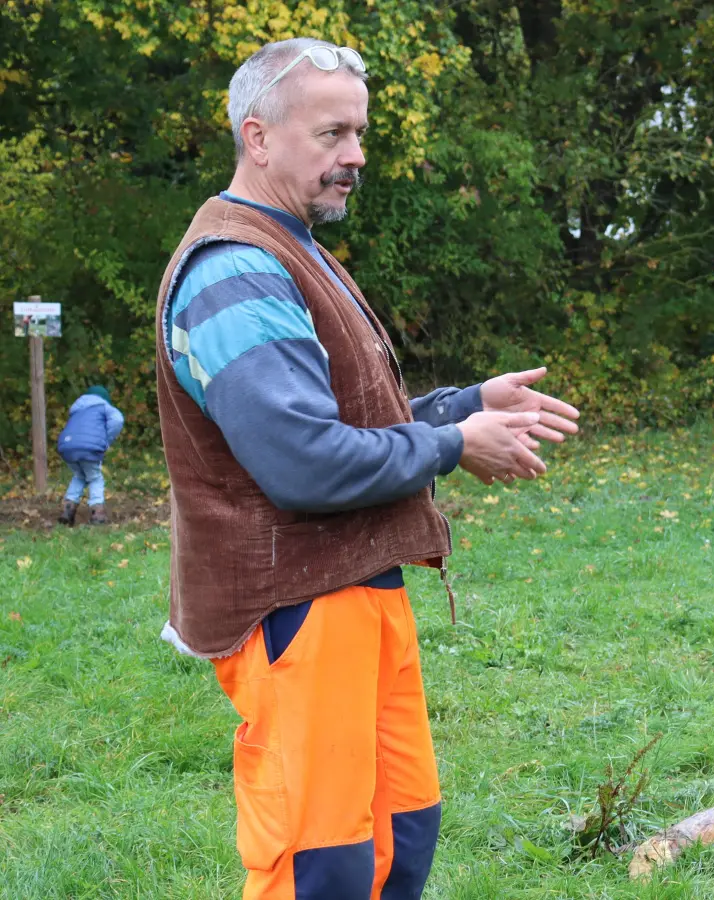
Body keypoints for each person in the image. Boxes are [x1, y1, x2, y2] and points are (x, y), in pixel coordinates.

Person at [152, 38, 580, 900]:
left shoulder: (289, 246)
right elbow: (304, 465)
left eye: (360, 134)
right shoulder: (234, 271)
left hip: (357, 595)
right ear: (258, 137)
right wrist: (459, 445)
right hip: (298, 613)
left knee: (399, 835)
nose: (354, 157)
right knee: (322, 867)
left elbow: (340, 425)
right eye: (332, 133)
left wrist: (459, 406)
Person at [55, 384, 125, 526]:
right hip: (89, 448)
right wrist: (106, 440)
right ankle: (97, 513)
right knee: (95, 478)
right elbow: (118, 420)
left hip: (66, 446)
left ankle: (68, 509)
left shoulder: (77, 409)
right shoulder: (103, 406)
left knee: (80, 476)